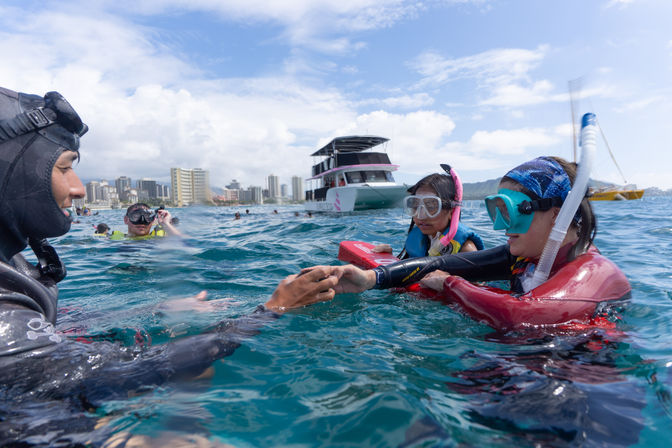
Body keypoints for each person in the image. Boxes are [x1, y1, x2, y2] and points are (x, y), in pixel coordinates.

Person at [0, 87, 340, 444]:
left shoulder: (13, 269)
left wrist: (156, 307)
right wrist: (272, 309)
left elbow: (51, 337)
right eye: (65, 167)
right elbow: (118, 372)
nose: (79, 188)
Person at [317, 156, 629, 328]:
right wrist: (370, 278)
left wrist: (453, 286)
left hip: (580, 387)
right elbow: (440, 264)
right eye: (497, 211)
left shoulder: (594, 272)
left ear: (557, 217)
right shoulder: (523, 258)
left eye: (511, 213)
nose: (502, 227)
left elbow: (524, 315)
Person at [374, 164, 484, 258]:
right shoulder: (421, 239)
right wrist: (392, 259)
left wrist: (447, 281)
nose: (421, 216)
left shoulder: (466, 250)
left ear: (451, 211)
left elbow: (479, 283)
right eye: (415, 206)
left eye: (431, 207)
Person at [108, 202, 181, 240]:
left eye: (147, 217)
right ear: (126, 220)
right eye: (136, 216)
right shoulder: (115, 239)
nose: (142, 221)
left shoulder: (160, 238)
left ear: (152, 220)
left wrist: (166, 224)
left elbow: (186, 242)